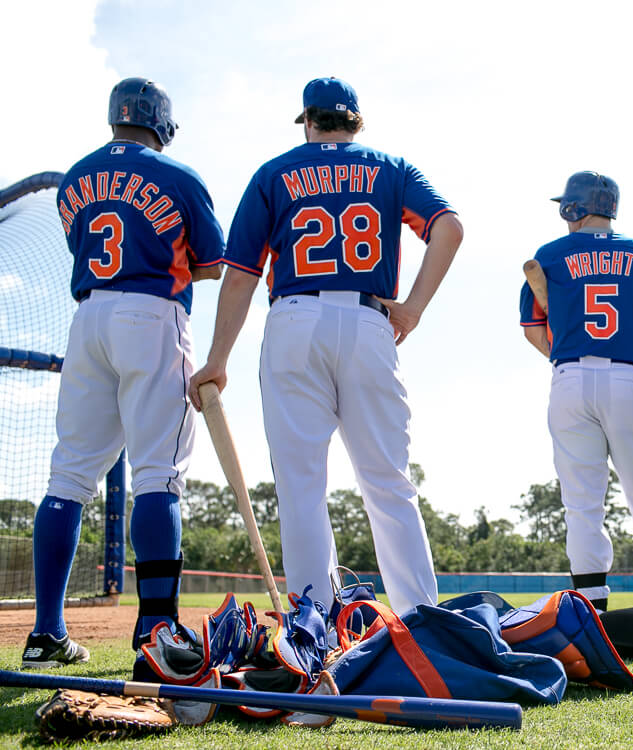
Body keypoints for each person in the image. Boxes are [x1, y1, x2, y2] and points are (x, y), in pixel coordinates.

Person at [188, 77, 463, 614]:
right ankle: (423, 624)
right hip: (369, 319)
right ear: (357, 121)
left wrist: (218, 359)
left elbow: (241, 274)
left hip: (295, 316)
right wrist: (413, 307)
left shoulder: (274, 172)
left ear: (308, 121)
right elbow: (448, 228)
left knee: (302, 485)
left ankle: (313, 625)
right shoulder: (391, 167)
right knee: (388, 480)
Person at [21, 78, 224, 672]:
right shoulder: (179, 175)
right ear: (160, 120)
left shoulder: (74, 179)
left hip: (87, 319)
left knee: (68, 478)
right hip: (152, 313)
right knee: (158, 473)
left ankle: (46, 634)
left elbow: (84, 246)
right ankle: (157, 629)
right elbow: (210, 266)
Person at [519, 171, 633, 623]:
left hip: (569, 377)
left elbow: (533, 330)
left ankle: (592, 613)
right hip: (628, 376)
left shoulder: (549, 257)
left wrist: (566, 360)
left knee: (582, 504)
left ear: (572, 208)